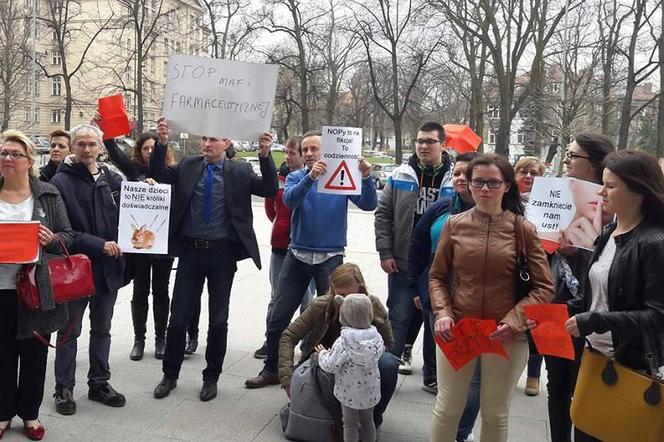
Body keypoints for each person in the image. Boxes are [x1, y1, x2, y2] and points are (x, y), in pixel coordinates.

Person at [150, 118, 278, 402]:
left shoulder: (240, 171)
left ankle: (211, 377)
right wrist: (161, 143)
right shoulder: (188, 166)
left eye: (213, 139)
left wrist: (265, 155)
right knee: (178, 316)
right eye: (204, 139)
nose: (206, 144)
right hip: (190, 253)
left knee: (218, 319)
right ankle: (170, 374)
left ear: (227, 144)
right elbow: (158, 172)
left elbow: (269, 189)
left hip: (222, 255)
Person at [429, 153, 554, 442]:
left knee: (495, 413)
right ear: (469, 185)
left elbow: (544, 287)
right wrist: (443, 312)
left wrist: (514, 321)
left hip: (506, 334)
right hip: (459, 328)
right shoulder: (454, 224)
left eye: (493, 183)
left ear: (508, 186)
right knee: (447, 408)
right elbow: (437, 276)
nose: (485, 189)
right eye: (478, 182)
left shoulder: (523, 229)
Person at [245, 130, 377, 388]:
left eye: (313, 149)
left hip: (330, 256)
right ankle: (272, 368)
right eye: (305, 150)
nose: (308, 154)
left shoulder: (341, 177)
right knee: (279, 316)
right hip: (298, 255)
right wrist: (310, 177)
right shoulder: (297, 175)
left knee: (329, 319)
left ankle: (314, 370)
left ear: (326, 151)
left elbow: (368, 204)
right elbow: (291, 200)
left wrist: (367, 177)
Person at [565, 150, 664, 441]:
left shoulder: (654, 243)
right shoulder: (609, 233)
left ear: (638, 190)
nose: (602, 191)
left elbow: (658, 316)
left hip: (632, 367)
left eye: (610, 185)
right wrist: (555, 314)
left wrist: (595, 320)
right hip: (596, 359)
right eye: (602, 183)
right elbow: (596, 294)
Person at [0, 130, 74, 441]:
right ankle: (2, 415)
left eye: (15, 154)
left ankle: (30, 414)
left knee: (34, 357)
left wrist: (52, 239)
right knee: (1, 356)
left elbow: (69, 236)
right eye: (3, 153)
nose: (7, 159)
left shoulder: (47, 194)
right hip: (1, 290)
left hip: (35, 290)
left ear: (29, 161)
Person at [50, 124, 127, 415]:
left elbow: (131, 209)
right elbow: (64, 230)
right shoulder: (61, 182)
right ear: (72, 147)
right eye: (80, 144)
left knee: (102, 329)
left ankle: (99, 383)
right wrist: (99, 244)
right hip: (76, 269)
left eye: (92, 144)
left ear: (100, 148)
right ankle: (64, 388)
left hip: (107, 269)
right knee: (69, 330)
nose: (86, 149)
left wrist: (147, 189)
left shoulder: (110, 178)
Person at [544, 132, 613, 442]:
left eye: (574, 156)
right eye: (567, 155)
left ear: (595, 165)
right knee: (556, 385)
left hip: (592, 315)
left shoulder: (613, 209)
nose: (567, 161)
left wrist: (581, 250)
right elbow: (539, 251)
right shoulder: (557, 195)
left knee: (582, 389)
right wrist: (551, 245)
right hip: (556, 304)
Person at [408, 152, 478, 441]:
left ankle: (461, 431)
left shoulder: (501, 216)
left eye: (467, 174)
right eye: (457, 173)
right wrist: (417, 287)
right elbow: (417, 247)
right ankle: (435, 386)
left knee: (471, 375)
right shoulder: (440, 208)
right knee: (444, 362)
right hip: (437, 293)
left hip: (474, 302)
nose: (461, 178)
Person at [278, 263, 399, 428]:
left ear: (361, 289)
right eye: (340, 295)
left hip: (361, 373)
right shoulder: (320, 305)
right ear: (332, 290)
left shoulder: (372, 304)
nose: (344, 302)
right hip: (324, 368)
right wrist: (287, 380)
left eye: (350, 296)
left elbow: (389, 342)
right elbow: (289, 336)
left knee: (389, 363)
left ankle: (372, 419)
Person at [374, 121, 452, 376]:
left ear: (443, 144)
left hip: (439, 263)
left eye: (430, 141)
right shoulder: (401, 175)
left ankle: (433, 375)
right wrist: (385, 252)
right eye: (419, 141)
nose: (423, 146)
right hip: (402, 260)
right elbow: (383, 215)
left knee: (436, 320)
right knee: (398, 315)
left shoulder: (455, 177)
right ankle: (387, 368)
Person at [104, 132, 176, 361]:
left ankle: (161, 339)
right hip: (138, 246)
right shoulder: (134, 170)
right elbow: (115, 153)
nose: (149, 152)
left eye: (153, 148)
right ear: (139, 150)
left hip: (162, 244)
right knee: (140, 291)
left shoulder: (172, 173)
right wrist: (106, 132)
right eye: (145, 148)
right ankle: (139, 339)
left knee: (161, 292)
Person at [254, 137, 315, 359]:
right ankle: (271, 340)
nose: (288, 157)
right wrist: (281, 223)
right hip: (280, 244)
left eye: (292, 153)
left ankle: (307, 343)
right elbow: (271, 208)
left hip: (304, 245)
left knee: (308, 300)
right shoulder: (279, 178)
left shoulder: (314, 178)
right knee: (277, 297)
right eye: (286, 153)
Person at [317, 293, 384, 442]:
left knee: (350, 423)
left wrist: (322, 354)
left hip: (349, 391)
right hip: (371, 390)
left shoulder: (344, 341)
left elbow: (330, 365)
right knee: (368, 420)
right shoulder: (377, 337)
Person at [513, 156, 547, 396]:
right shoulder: (510, 202)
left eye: (534, 173)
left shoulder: (550, 204)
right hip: (513, 268)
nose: (528, 176)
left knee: (538, 321)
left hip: (541, 265)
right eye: (524, 172)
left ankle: (534, 373)